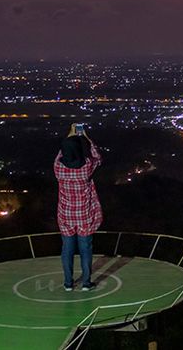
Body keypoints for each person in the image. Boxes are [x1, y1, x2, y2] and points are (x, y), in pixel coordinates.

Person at [54, 123, 103, 291]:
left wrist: (70, 133)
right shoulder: (86, 167)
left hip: (65, 216)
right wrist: (86, 138)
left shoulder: (58, 169)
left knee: (67, 249)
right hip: (85, 215)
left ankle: (68, 283)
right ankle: (86, 283)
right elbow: (98, 158)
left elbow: (62, 151)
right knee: (85, 249)